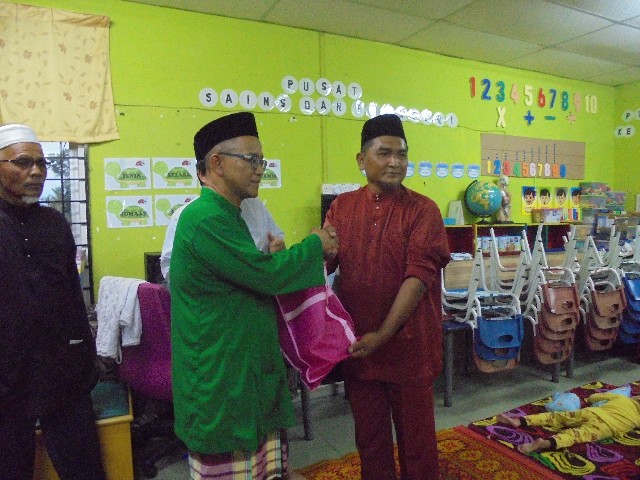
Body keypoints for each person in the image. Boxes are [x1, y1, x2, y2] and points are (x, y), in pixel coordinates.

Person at [170, 112, 338, 480]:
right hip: (221, 374)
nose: (260, 169)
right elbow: (265, 275)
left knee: (264, 467)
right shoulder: (205, 218)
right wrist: (316, 243)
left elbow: (251, 272)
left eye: (262, 160)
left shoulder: (230, 214)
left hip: (244, 365)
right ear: (217, 163)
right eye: (251, 159)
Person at [324, 114, 450, 479]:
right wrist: (297, 253)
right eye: (384, 153)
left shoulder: (423, 210)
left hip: (410, 347)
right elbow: (325, 261)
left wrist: (383, 335)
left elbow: (418, 279)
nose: (395, 162)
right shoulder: (342, 208)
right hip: (361, 346)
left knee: (417, 444)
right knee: (370, 439)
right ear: (361, 160)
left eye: (402, 154)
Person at [0, 124, 105, 480]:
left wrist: (87, 360)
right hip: (7, 381)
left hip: (62, 375)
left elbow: (72, 298)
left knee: (85, 468)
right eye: (23, 162)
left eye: (42, 163)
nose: (36, 172)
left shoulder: (54, 223)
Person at [160, 197, 285, 284]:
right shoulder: (186, 215)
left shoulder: (256, 206)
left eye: (260, 166)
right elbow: (171, 270)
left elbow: (276, 244)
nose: (258, 171)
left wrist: (277, 253)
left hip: (258, 297)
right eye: (251, 165)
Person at [497, 391, 640, 453]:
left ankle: (519, 421)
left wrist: (593, 401)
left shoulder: (622, 399)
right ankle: (544, 443)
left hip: (592, 412)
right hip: (607, 427)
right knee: (574, 435)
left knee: (556, 417)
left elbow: (594, 397)